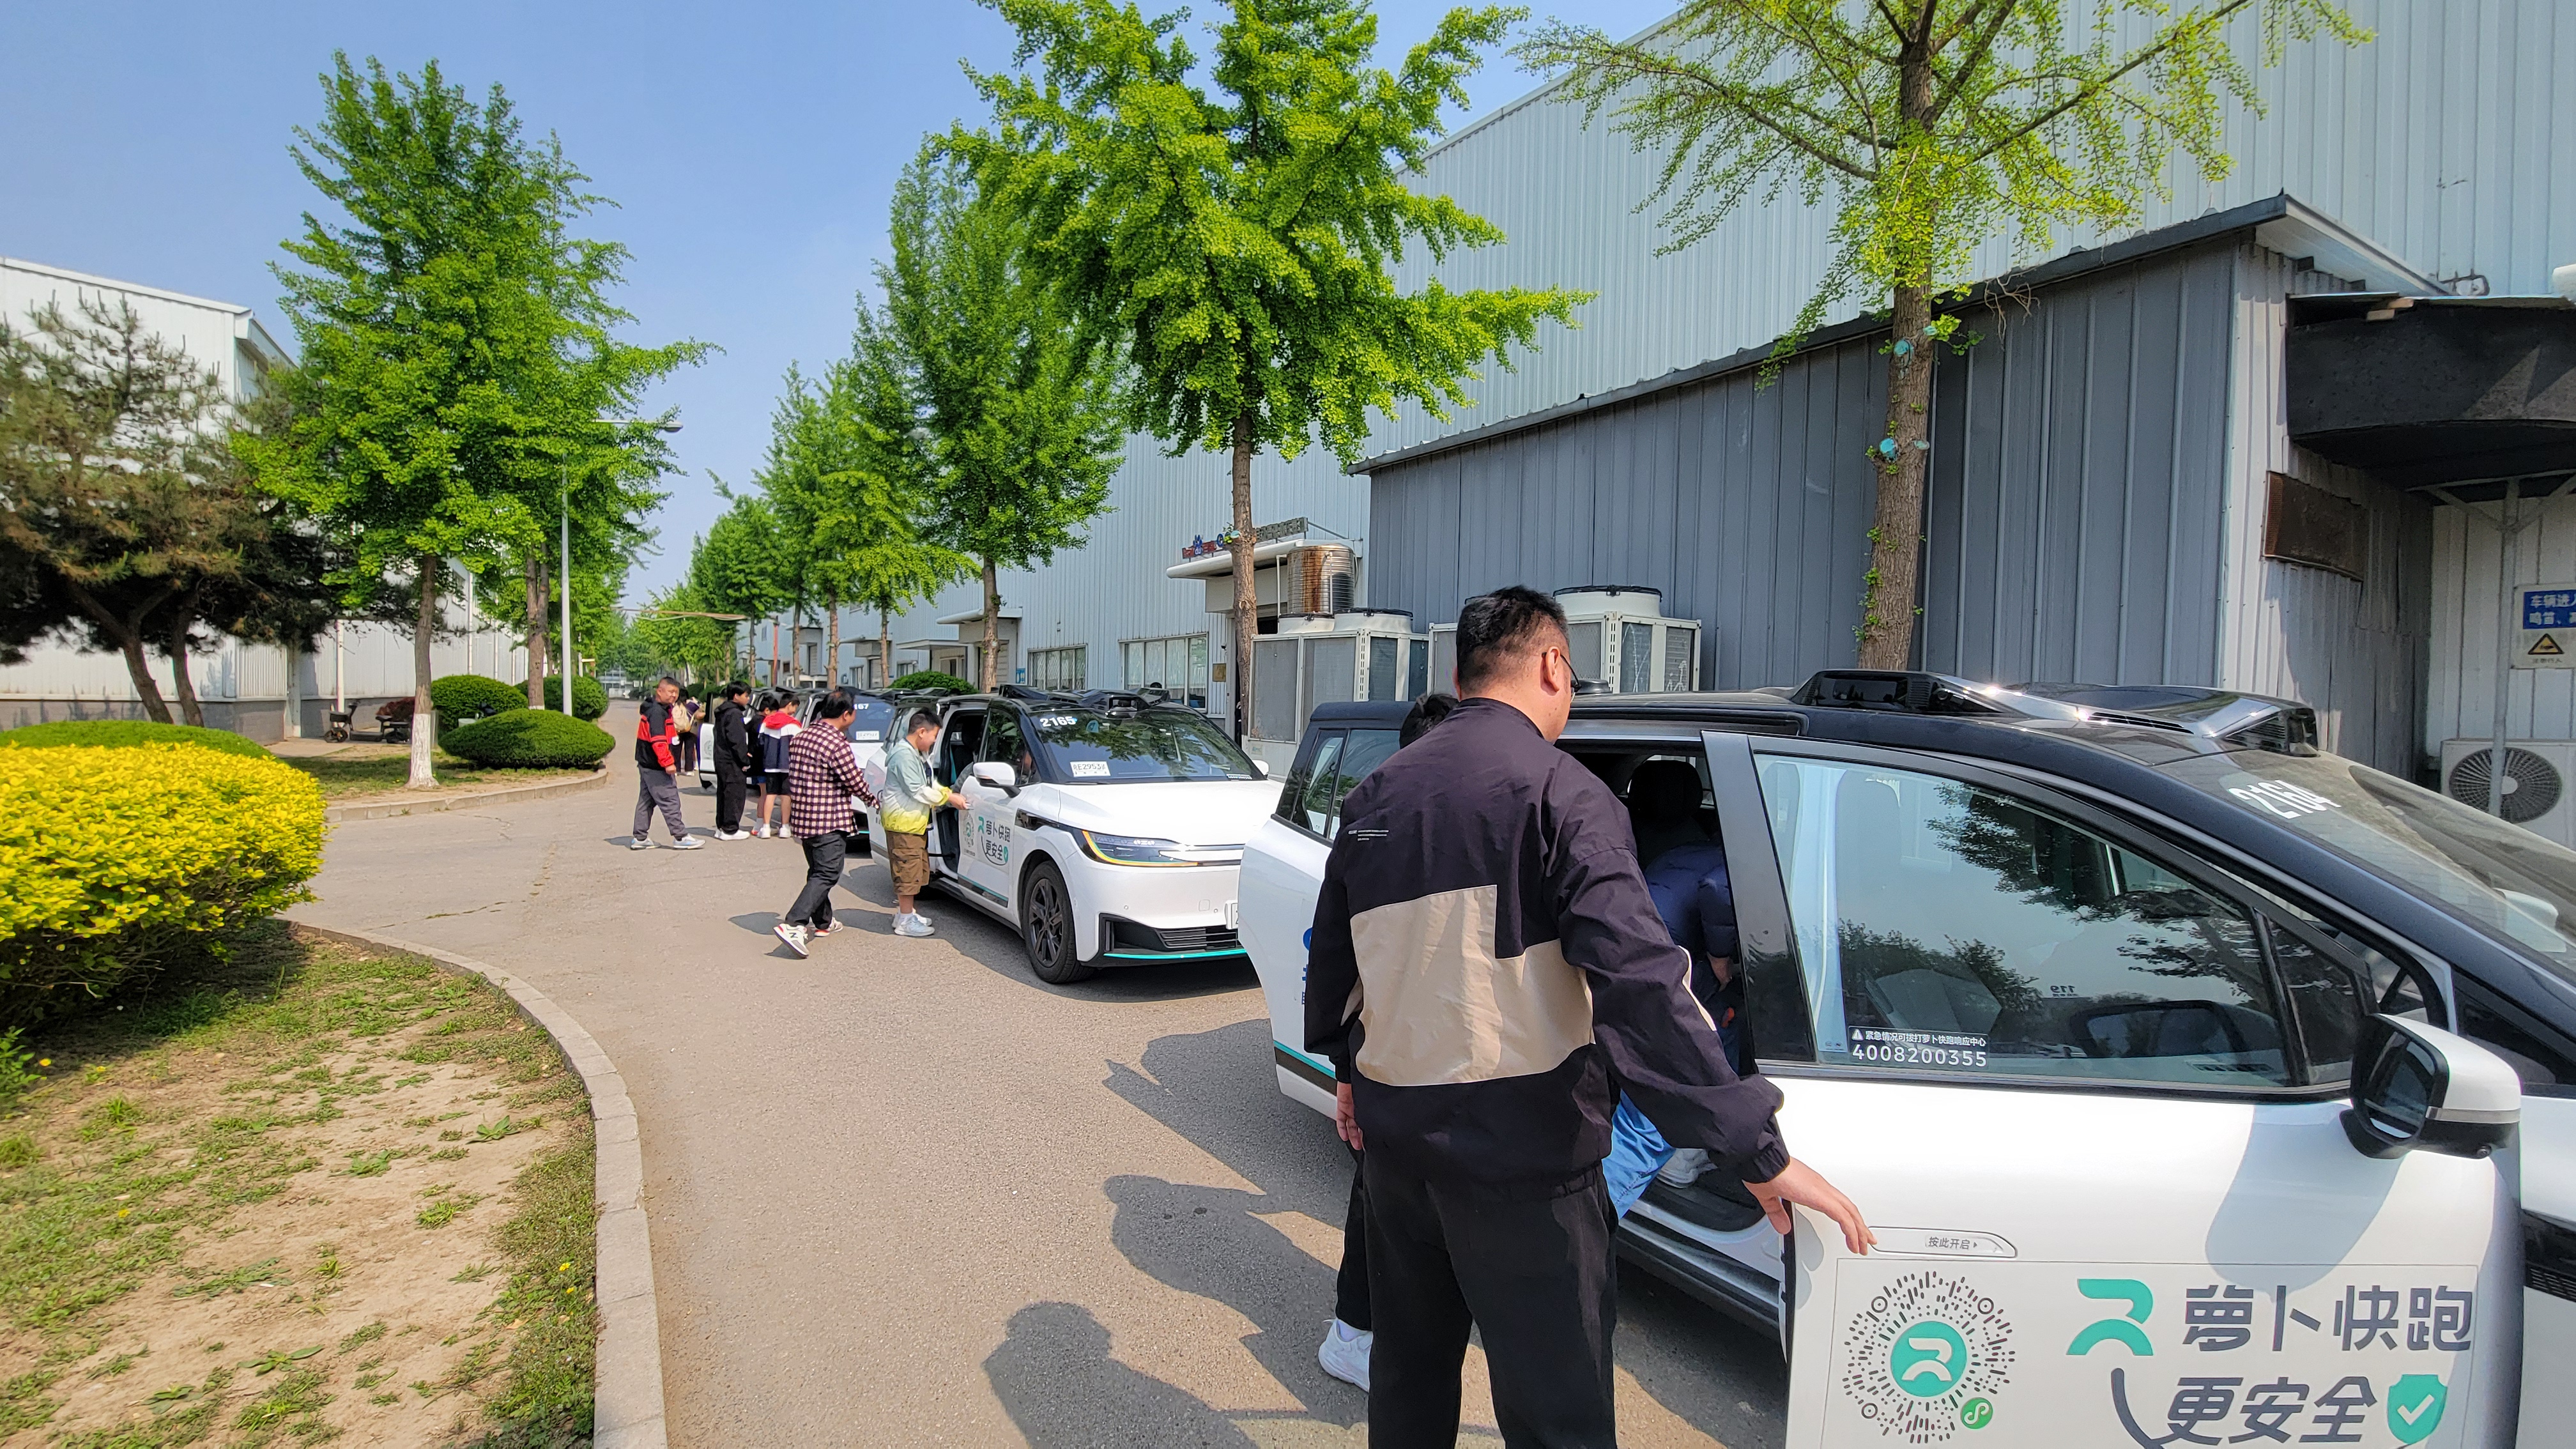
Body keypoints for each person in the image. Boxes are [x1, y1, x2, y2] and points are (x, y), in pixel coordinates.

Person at [1305, 586, 1871, 1446]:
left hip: (1398, 1158)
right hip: (1525, 1167)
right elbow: (1641, 987)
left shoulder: (1376, 797)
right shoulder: (1562, 795)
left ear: (1460, 677)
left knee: (1410, 1385)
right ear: (1552, 665)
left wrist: (1350, 1074)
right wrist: (1754, 1148)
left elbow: (1340, 971)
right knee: (1556, 1415)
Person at [772, 692, 879, 957]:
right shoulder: (836, 743)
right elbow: (853, 780)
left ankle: (823, 921)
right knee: (828, 873)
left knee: (818, 870)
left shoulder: (802, 736)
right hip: (828, 819)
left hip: (804, 817)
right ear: (846, 715)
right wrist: (873, 799)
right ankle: (794, 923)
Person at [879, 708, 958, 938]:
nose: (934, 742)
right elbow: (918, 790)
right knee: (907, 872)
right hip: (903, 825)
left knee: (914, 869)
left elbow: (929, 783)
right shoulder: (904, 756)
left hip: (912, 824)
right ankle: (905, 920)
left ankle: (907, 913)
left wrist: (948, 793)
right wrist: (949, 798)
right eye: (934, 736)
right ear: (922, 732)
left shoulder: (915, 754)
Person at [630, 677, 704, 852]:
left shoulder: (659, 709)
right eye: (670, 692)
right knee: (670, 799)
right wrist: (668, 763)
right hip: (655, 764)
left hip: (647, 762)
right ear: (660, 691)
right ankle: (680, 836)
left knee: (647, 800)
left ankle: (640, 837)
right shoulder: (657, 712)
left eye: (676, 693)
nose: (674, 696)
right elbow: (658, 741)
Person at [710, 682, 756, 841]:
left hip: (722, 759)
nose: (748, 699)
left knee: (724, 793)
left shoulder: (723, 712)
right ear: (736, 696)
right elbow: (737, 741)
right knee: (734, 795)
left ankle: (722, 827)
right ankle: (730, 829)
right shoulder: (734, 714)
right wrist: (745, 760)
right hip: (731, 761)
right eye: (746, 695)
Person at [755, 692, 800, 838]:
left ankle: (766, 827)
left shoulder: (767, 722)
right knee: (786, 796)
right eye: (795, 707)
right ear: (790, 705)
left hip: (770, 764)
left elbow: (760, 743)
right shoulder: (794, 724)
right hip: (787, 765)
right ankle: (785, 827)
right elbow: (799, 746)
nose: (795, 711)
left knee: (770, 794)